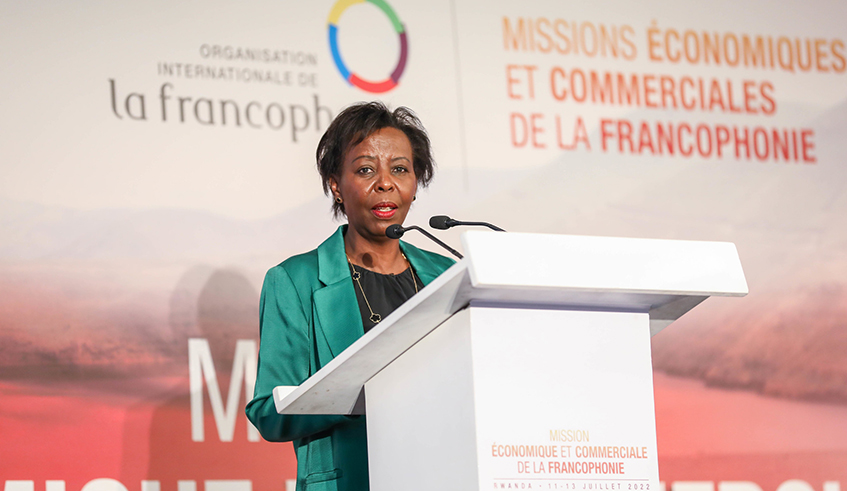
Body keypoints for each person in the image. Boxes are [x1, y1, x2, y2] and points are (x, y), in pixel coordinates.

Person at [245, 102, 456, 491]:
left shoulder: (448, 274)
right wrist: (352, 391)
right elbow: (268, 414)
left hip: (442, 473)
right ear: (336, 186)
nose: (385, 183)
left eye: (400, 169)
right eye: (365, 170)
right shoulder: (295, 281)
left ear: (416, 182)